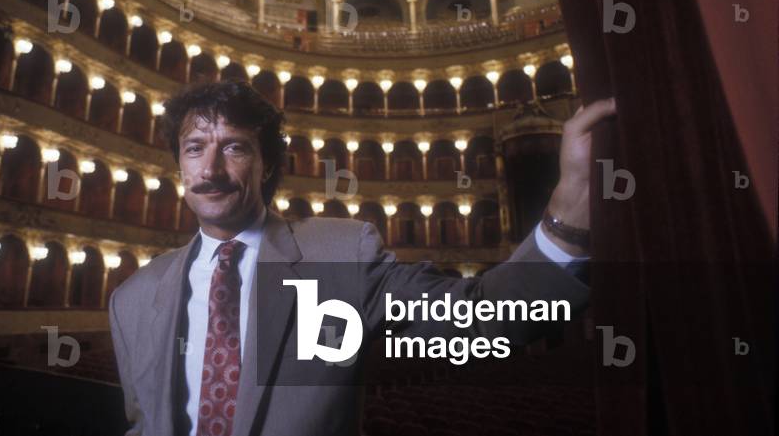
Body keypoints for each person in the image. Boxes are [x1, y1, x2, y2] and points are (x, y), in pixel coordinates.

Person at [110, 80, 616, 436]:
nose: (211, 168)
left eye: (235, 147)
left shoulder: (339, 255)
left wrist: (567, 219)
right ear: (179, 165)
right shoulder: (132, 300)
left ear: (266, 166)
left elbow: (477, 320)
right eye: (195, 148)